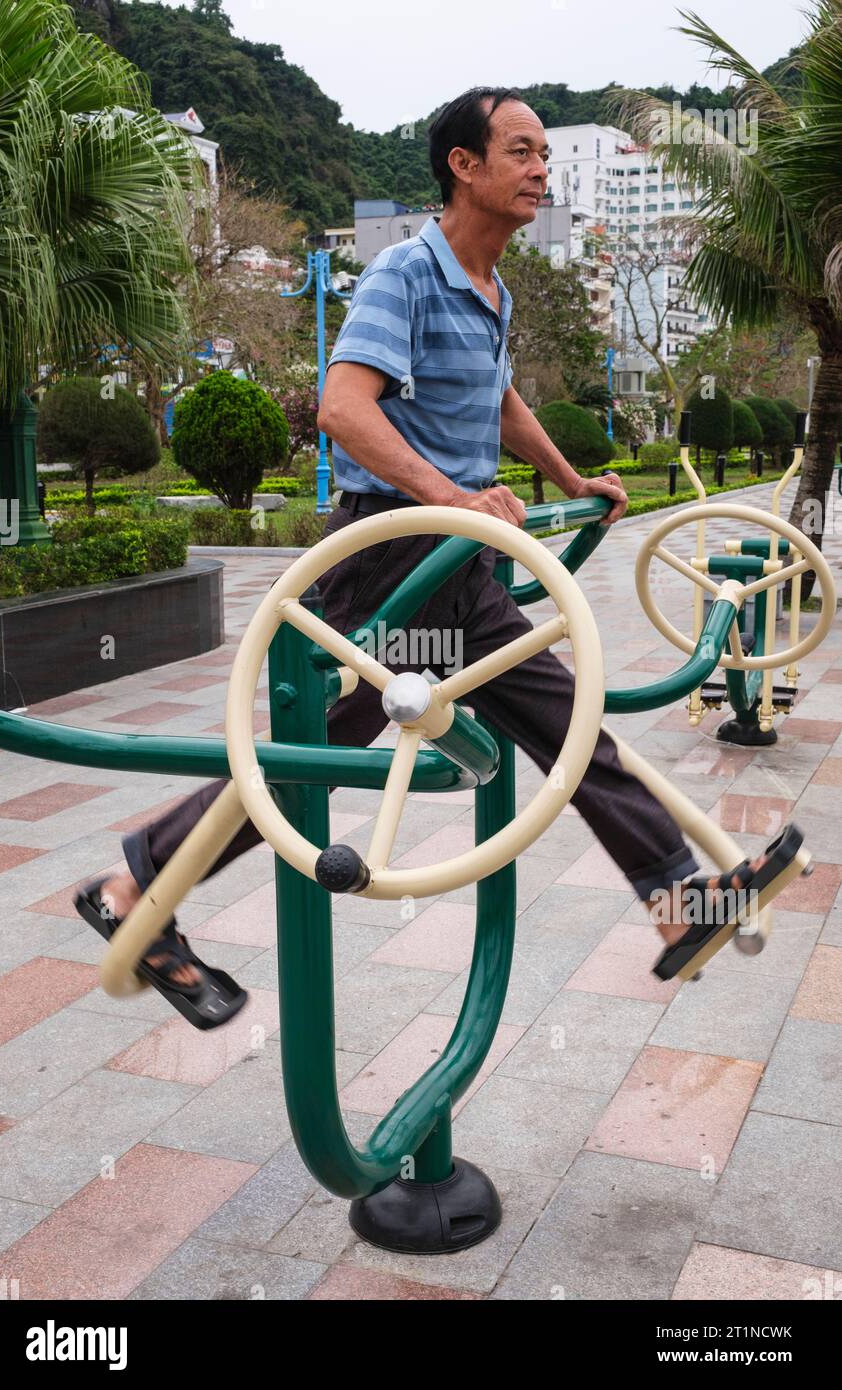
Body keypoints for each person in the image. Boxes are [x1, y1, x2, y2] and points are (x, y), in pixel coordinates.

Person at [79, 87, 780, 1012]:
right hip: (391, 561)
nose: (540, 171)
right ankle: (132, 884)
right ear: (464, 165)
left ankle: (677, 899)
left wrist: (571, 482)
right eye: (522, 152)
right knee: (313, 748)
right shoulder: (405, 273)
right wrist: (453, 497)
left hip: (459, 565)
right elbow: (343, 410)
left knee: (566, 728)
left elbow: (496, 403)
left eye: (542, 154)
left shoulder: (493, 287)